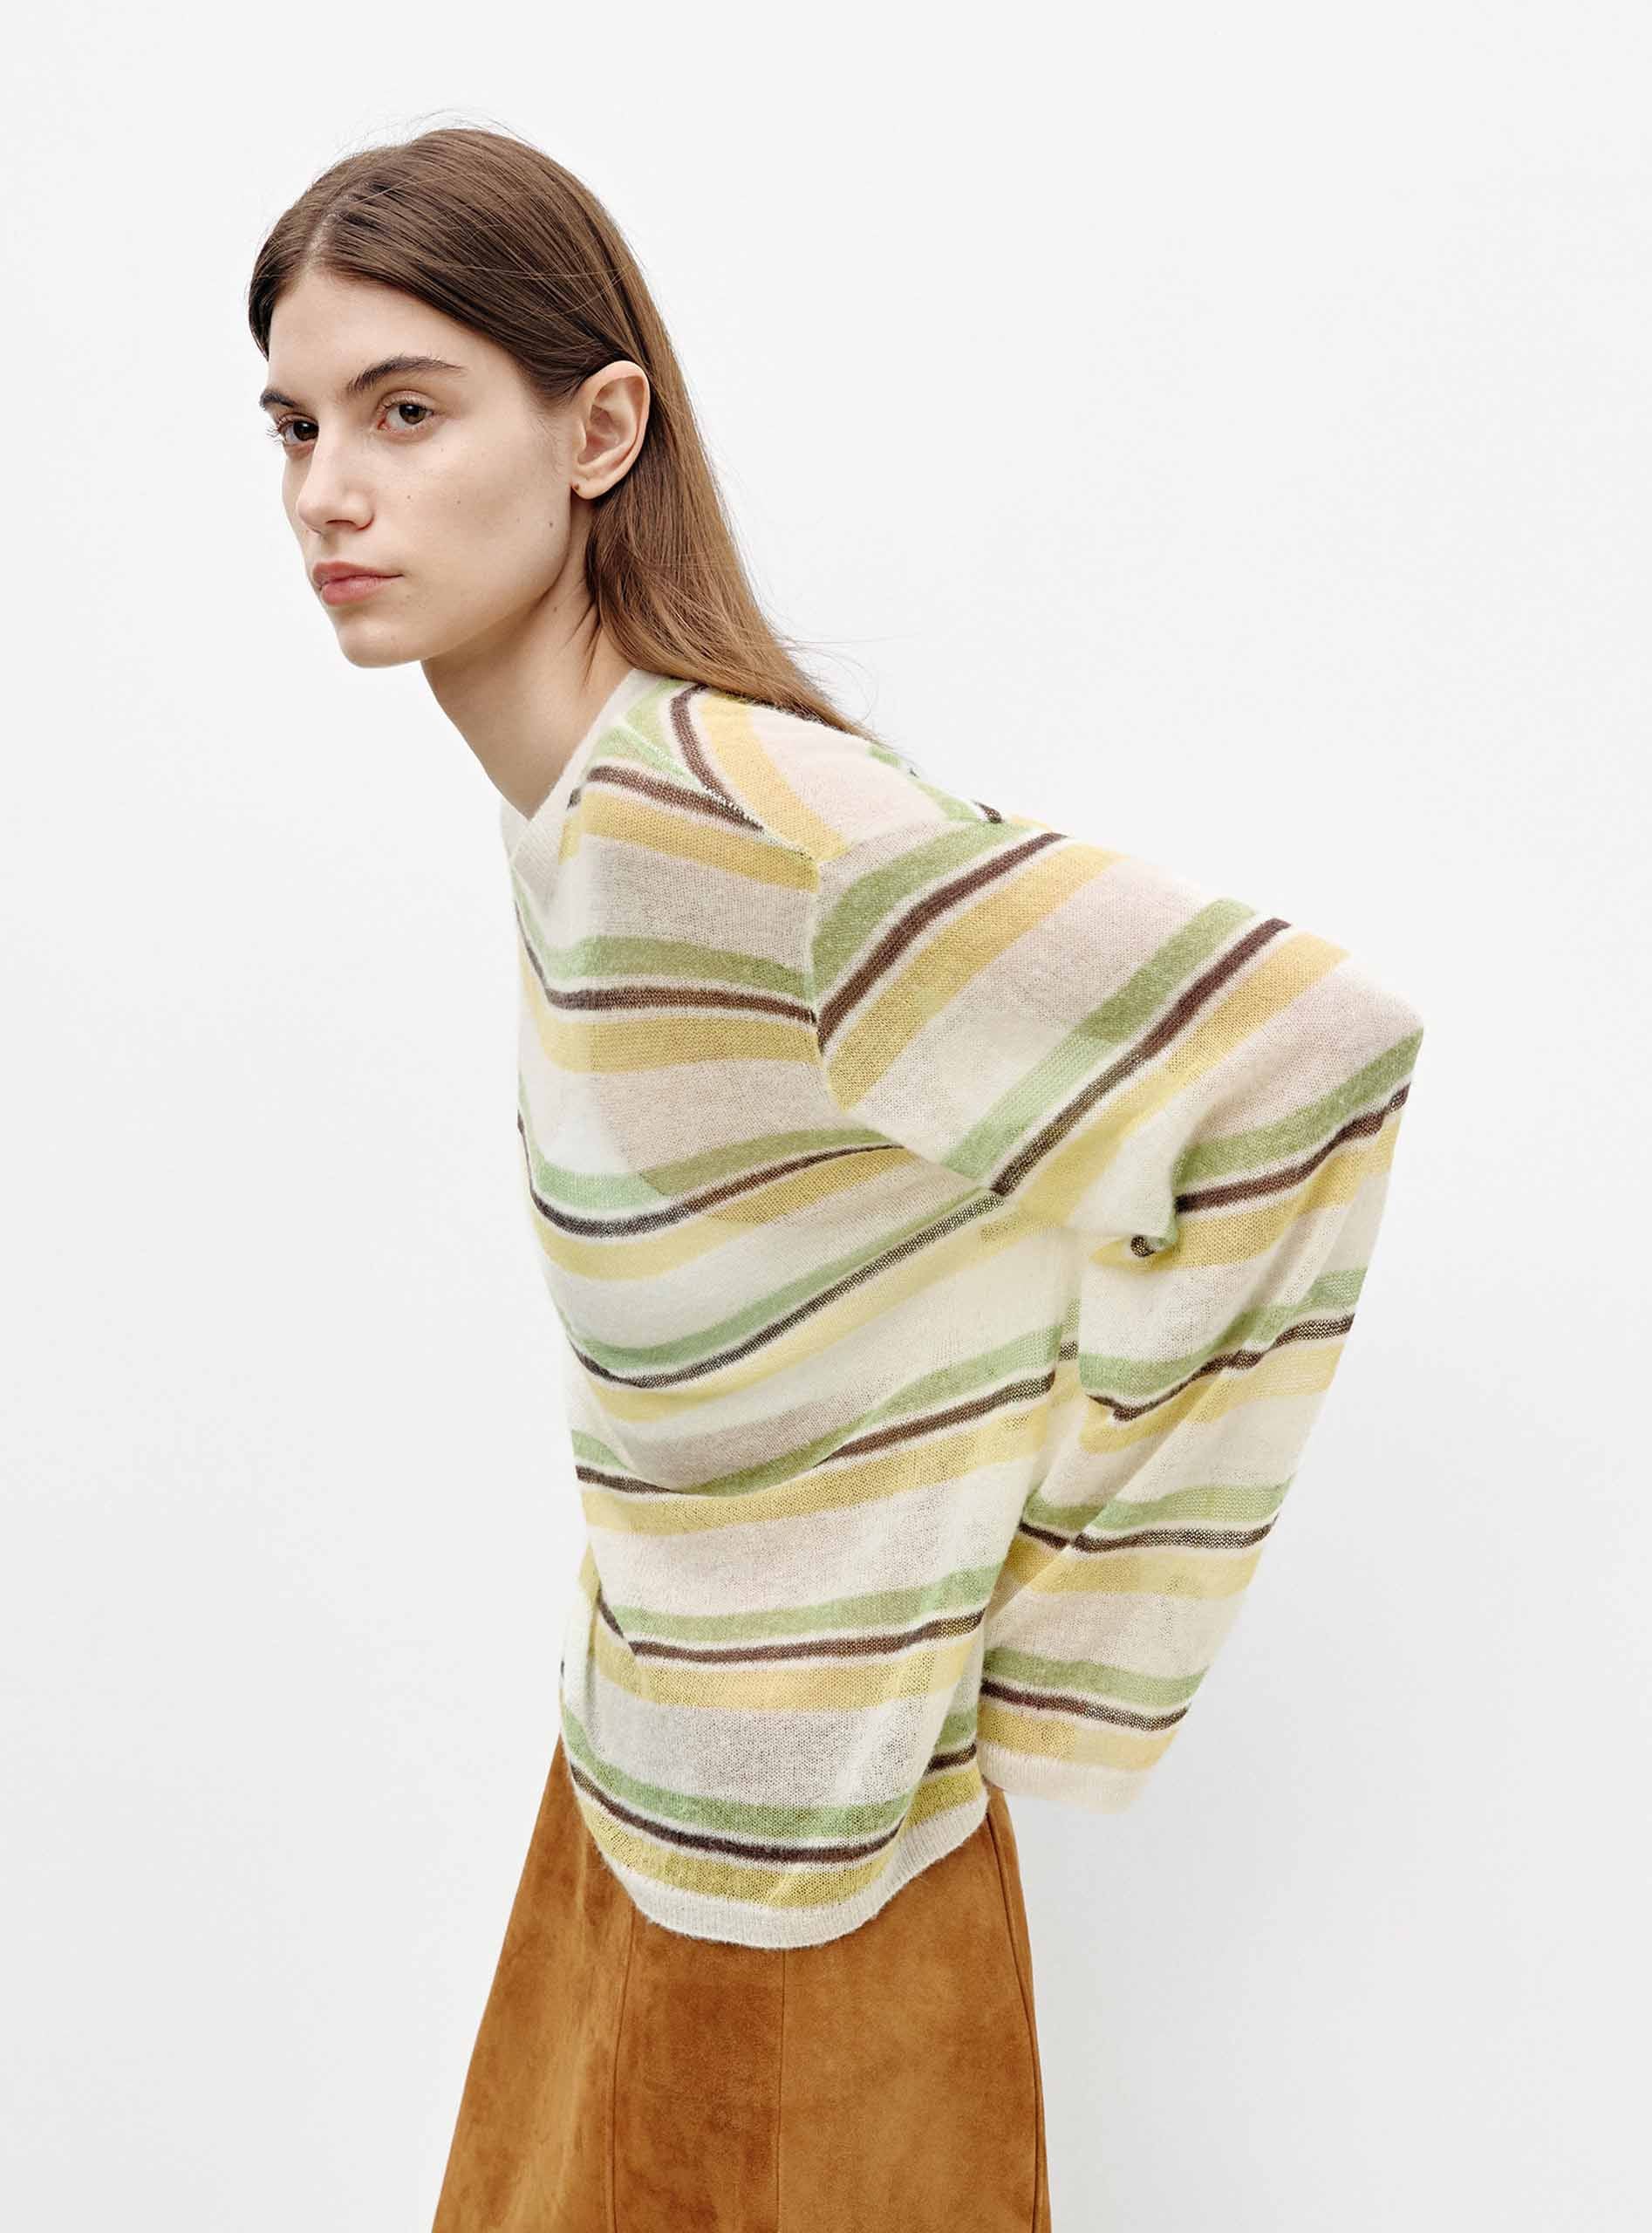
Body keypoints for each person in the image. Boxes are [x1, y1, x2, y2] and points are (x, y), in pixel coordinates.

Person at [249, 125, 1423, 2233]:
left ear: (600, 429)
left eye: (406, 411)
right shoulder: (581, 817)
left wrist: (1060, 1630)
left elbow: (1304, 1056)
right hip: (635, 1816)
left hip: (816, 1891)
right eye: (297, 423)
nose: (329, 488)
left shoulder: (741, 821)